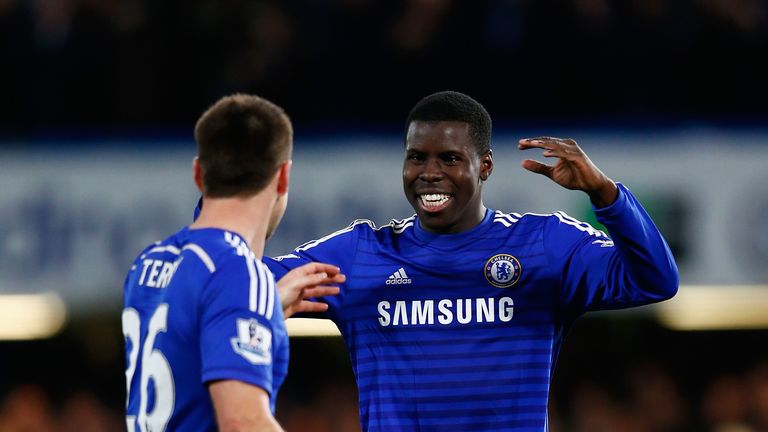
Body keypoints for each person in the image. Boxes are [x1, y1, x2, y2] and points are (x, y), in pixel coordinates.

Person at [123, 94, 344, 432]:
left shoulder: (149, 263)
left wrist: (264, 309)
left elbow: (184, 359)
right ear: (283, 176)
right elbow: (243, 422)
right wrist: (252, 295)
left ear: (198, 173)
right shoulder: (240, 272)